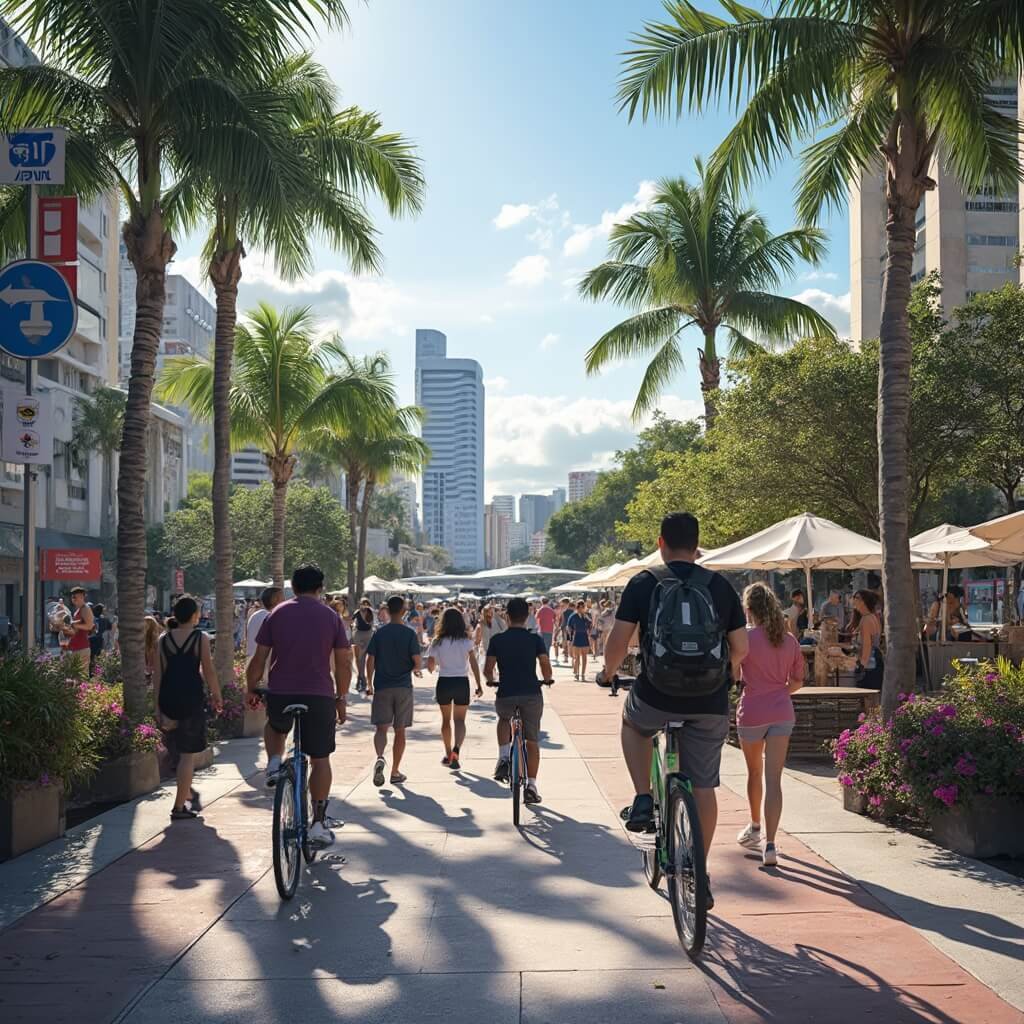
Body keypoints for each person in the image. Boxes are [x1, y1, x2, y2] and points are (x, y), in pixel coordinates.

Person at [602, 512, 748, 910]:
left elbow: (618, 642)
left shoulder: (644, 582)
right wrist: (727, 672)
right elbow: (741, 648)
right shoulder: (720, 586)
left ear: (660, 543)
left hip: (656, 695)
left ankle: (643, 797)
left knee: (633, 724)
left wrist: (607, 673)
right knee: (704, 787)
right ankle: (698, 869)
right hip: (710, 701)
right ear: (697, 546)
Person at [246, 563, 352, 847]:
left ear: (293, 587)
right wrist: (341, 698)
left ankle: (273, 763)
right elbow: (343, 662)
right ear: (320, 588)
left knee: (275, 726)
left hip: (281, 692)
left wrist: (250, 688)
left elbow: (259, 658)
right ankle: (318, 823)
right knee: (320, 759)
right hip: (319, 695)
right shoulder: (331, 617)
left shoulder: (277, 613)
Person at [734, 583, 805, 866]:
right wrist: (779, 693)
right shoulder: (789, 640)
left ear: (749, 609)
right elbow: (797, 681)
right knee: (774, 778)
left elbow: (733, 673)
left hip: (752, 711)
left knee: (754, 773)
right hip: (781, 712)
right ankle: (771, 845)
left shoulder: (745, 639)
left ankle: (755, 828)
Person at [154, 595, 222, 821]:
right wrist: (217, 695)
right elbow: (208, 670)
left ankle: (185, 792)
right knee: (187, 756)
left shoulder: (163, 639)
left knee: (177, 751)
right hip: (191, 698)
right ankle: (178, 807)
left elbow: (158, 675)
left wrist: (156, 706)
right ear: (195, 615)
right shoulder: (199, 638)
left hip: (168, 698)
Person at [485, 597, 554, 805]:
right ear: (527, 616)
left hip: (506, 692)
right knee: (532, 740)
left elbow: (488, 669)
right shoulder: (535, 639)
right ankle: (531, 785)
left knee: (504, 719)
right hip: (531, 693)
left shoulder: (497, 640)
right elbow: (544, 663)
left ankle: (504, 757)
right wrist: (547, 678)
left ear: (507, 616)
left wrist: (491, 680)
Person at [366, 594, 421, 786]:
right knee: (400, 730)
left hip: (382, 686)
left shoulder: (379, 633)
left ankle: (380, 756)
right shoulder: (409, 634)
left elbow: (370, 660)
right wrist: (414, 669)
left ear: (387, 611)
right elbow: (417, 662)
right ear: (404, 611)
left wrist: (369, 683)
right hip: (403, 687)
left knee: (381, 728)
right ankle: (395, 771)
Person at [427, 607, 483, 770]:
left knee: (446, 720)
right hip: (461, 682)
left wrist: (434, 665)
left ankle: (448, 753)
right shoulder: (466, 642)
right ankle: (457, 748)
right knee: (460, 720)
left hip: (444, 681)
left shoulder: (437, 641)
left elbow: (430, 666)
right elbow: (473, 664)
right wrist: (479, 684)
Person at [851, 589, 884, 689]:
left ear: (864, 602)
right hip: (875, 663)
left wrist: (861, 667)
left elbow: (867, 646)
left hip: (869, 666)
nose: (853, 600)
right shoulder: (872, 617)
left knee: (866, 696)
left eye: (857, 598)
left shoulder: (866, 620)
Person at [246, 587, 283, 670]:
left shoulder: (254, 615)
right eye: (283, 599)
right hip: (264, 662)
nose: (285, 602)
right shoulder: (272, 617)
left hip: (252, 662)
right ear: (275, 599)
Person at [61, 587, 94, 673]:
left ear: (82, 597)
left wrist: (73, 624)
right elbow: (77, 628)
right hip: (76, 648)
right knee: (72, 676)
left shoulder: (85, 608)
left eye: (75, 597)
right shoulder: (79, 609)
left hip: (81, 648)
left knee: (80, 676)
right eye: (72, 597)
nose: (73, 599)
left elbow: (89, 626)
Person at [351, 599, 375, 692]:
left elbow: (372, 624)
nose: (364, 605)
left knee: (363, 657)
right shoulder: (357, 612)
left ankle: (361, 679)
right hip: (358, 634)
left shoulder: (371, 612)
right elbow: (351, 621)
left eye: (366, 604)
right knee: (358, 658)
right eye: (363, 604)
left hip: (368, 634)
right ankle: (361, 678)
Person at [567, 600, 592, 680]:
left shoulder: (586, 616)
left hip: (584, 636)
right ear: (577, 607)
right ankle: (577, 673)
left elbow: (590, 624)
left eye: (582, 607)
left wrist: (589, 634)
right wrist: (570, 637)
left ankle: (583, 674)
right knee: (577, 657)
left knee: (584, 657)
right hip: (576, 636)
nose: (581, 609)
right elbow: (569, 627)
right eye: (579, 607)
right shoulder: (573, 616)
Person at [89, 603, 111, 672]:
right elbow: (109, 627)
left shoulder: (91, 618)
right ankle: (97, 672)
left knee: (91, 657)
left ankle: (91, 672)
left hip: (90, 640)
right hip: (99, 640)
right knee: (98, 657)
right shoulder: (104, 619)